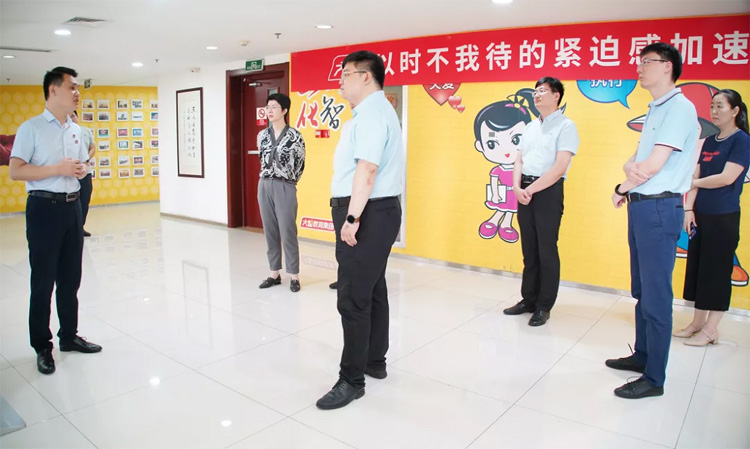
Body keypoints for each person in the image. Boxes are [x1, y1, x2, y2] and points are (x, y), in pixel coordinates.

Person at [607, 43, 699, 399]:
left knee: (657, 296)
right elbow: (634, 161)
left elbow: (650, 166)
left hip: (659, 209)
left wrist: (622, 186)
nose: (640, 68)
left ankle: (654, 378)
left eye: (647, 62)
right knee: (642, 290)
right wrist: (629, 179)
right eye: (640, 62)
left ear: (668, 67)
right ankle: (642, 355)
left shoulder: (680, 108)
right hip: (642, 206)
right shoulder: (656, 108)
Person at [316, 50, 403, 410]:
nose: (340, 81)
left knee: (352, 296)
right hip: (378, 210)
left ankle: (352, 380)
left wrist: (352, 219)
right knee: (373, 288)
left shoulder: (371, 114)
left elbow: (367, 170)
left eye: (346, 74)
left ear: (366, 77)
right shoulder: (377, 111)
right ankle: (373, 360)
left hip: (366, 213)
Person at [9, 66, 103, 376]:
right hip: (43, 209)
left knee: (71, 278)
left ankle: (69, 336)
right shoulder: (31, 128)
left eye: (78, 88)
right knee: (43, 281)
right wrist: (57, 169)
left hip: (72, 207)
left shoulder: (76, 130)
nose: (77, 92)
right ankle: (42, 345)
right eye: (72, 87)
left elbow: (80, 164)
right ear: (53, 90)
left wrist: (79, 169)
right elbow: (17, 170)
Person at [502, 77, 580, 327]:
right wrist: (517, 188)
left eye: (542, 91)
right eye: (535, 91)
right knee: (529, 249)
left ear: (556, 95)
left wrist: (530, 190)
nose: (536, 95)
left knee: (546, 249)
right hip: (524, 190)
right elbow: (519, 160)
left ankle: (544, 306)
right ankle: (528, 299)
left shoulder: (566, 126)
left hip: (548, 191)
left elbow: (560, 167)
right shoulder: (530, 127)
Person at [676, 89, 749, 346]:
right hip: (700, 216)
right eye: (712, 106)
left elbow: (726, 178)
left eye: (720, 106)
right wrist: (689, 209)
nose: (714, 111)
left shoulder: (742, 141)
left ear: (735, 110)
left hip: (723, 217)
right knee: (699, 270)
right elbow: (696, 174)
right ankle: (697, 323)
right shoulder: (710, 140)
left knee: (717, 273)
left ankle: (711, 330)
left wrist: (694, 182)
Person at [473, 88, 538, 243]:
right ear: (480, 146)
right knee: (501, 208)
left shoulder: (524, 167)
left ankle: (506, 224)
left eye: (516, 140)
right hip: (502, 194)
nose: (506, 151)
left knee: (510, 210)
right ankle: (494, 220)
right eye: (491, 144)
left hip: (516, 194)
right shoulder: (498, 170)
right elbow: (494, 181)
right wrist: (495, 195)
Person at [256, 93, 306, 292]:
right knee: (270, 230)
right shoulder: (262, 136)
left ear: (284, 110)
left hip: (285, 185)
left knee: (288, 231)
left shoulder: (295, 136)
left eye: (274, 107)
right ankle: (274, 273)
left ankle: (294, 275)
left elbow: (300, 164)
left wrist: (289, 182)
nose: (269, 111)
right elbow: (261, 158)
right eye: (267, 107)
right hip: (264, 184)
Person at [70, 110, 95, 236]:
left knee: (85, 199)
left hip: (85, 171)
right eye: (69, 117)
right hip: (70, 173)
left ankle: (80, 227)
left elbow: (92, 148)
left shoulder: (85, 131)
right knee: (72, 201)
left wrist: (86, 160)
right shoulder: (62, 133)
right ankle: (72, 229)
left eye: (73, 116)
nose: (72, 118)